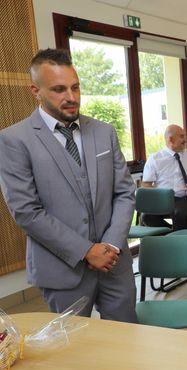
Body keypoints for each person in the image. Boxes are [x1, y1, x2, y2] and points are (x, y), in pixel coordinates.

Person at [0, 49, 137, 322]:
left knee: (127, 345)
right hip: (62, 270)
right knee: (72, 353)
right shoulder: (14, 140)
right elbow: (27, 212)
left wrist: (109, 246)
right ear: (35, 91)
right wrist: (86, 251)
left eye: (75, 87)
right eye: (59, 90)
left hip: (114, 266)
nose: (71, 97)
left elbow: (124, 192)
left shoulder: (103, 132)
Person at [141, 124, 187, 231]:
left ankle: (179, 241)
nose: (185, 139)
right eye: (182, 136)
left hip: (184, 198)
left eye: (184, 136)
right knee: (146, 216)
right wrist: (158, 196)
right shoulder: (155, 159)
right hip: (161, 199)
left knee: (179, 213)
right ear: (171, 139)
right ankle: (170, 234)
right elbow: (146, 184)